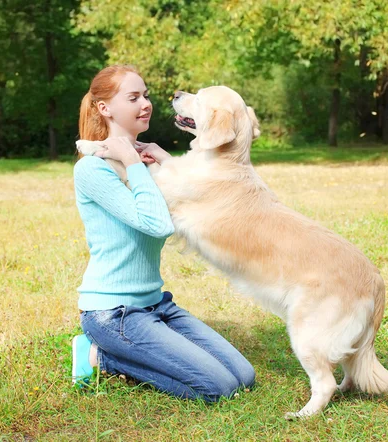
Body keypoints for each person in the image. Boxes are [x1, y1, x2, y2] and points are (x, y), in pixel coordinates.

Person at [71, 65, 255, 402]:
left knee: (244, 376)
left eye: (145, 95)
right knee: (218, 387)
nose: (146, 103)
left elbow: (195, 207)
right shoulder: (92, 169)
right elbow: (157, 224)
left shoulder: (147, 160)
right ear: (104, 108)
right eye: (133, 97)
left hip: (157, 305)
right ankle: (103, 356)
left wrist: (163, 161)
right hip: (113, 314)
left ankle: (127, 351)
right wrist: (135, 163)